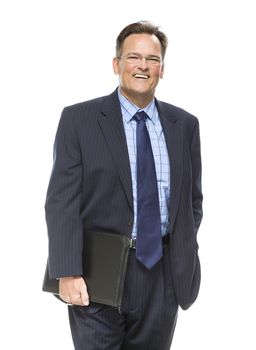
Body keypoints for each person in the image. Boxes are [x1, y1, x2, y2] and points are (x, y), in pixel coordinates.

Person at [45, 20, 203, 350]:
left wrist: (179, 253)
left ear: (162, 69)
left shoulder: (184, 125)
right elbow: (62, 201)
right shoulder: (80, 120)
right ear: (117, 64)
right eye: (134, 57)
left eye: (153, 59)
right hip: (97, 272)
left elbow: (191, 202)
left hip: (162, 274)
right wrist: (67, 271)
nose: (143, 66)